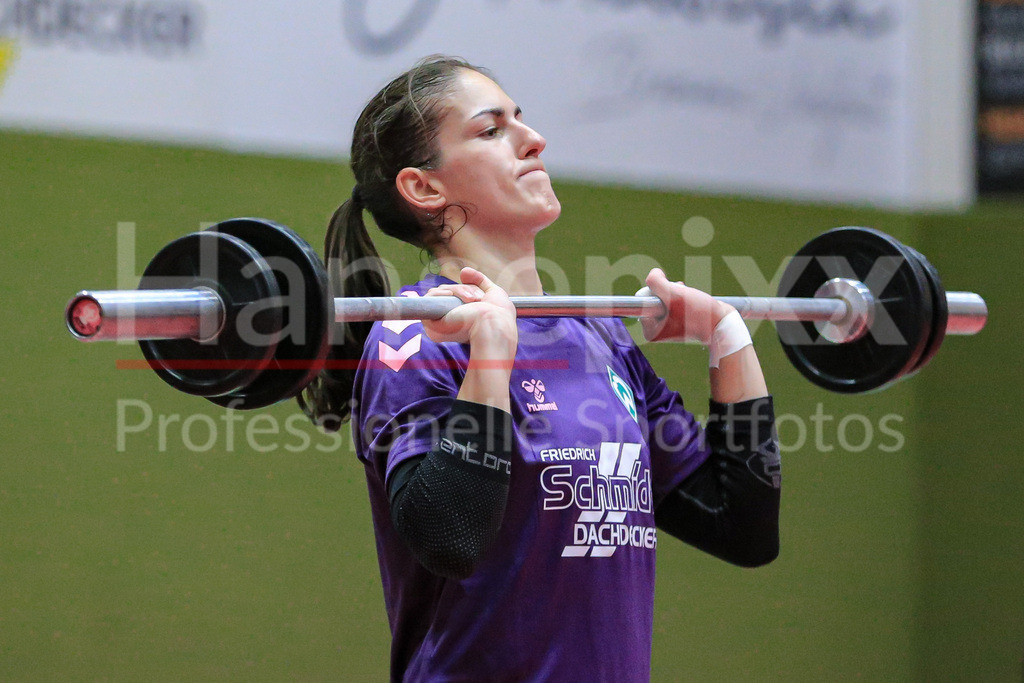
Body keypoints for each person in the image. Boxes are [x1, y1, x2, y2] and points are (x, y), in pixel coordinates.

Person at [299, 55, 780, 681]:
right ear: (424, 187)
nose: (533, 139)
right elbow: (449, 538)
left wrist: (728, 337)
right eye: (491, 129)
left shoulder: (597, 335)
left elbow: (741, 524)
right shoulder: (415, 334)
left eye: (520, 119)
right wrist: (491, 361)